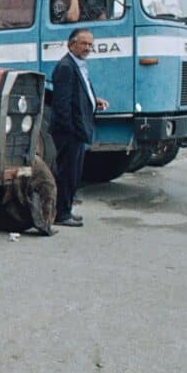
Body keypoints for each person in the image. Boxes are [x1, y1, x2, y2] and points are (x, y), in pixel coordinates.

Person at [50, 28, 109, 227]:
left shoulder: (79, 65)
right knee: (67, 172)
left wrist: (94, 100)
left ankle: (66, 209)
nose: (87, 48)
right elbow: (62, 103)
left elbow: (79, 92)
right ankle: (61, 214)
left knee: (74, 172)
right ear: (71, 44)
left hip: (78, 128)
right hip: (70, 131)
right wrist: (69, 130)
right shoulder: (66, 66)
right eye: (84, 44)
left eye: (90, 45)